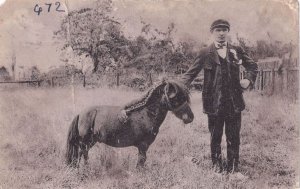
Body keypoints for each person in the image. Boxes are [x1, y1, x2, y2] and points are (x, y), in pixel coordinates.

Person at [181, 19, 258, 173]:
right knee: (215, 136)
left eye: (224, 30)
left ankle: (233, 167)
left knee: (234, 136)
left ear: (228, 32)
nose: (221, 33)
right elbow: (190, 74)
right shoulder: (205, 53)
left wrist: (248, 80)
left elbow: (253, 66)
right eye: (218, 30)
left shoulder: (236, 50)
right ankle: (217, 166)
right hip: (213, 103)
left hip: (234, 102)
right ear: (212, 32)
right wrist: (177, 87)